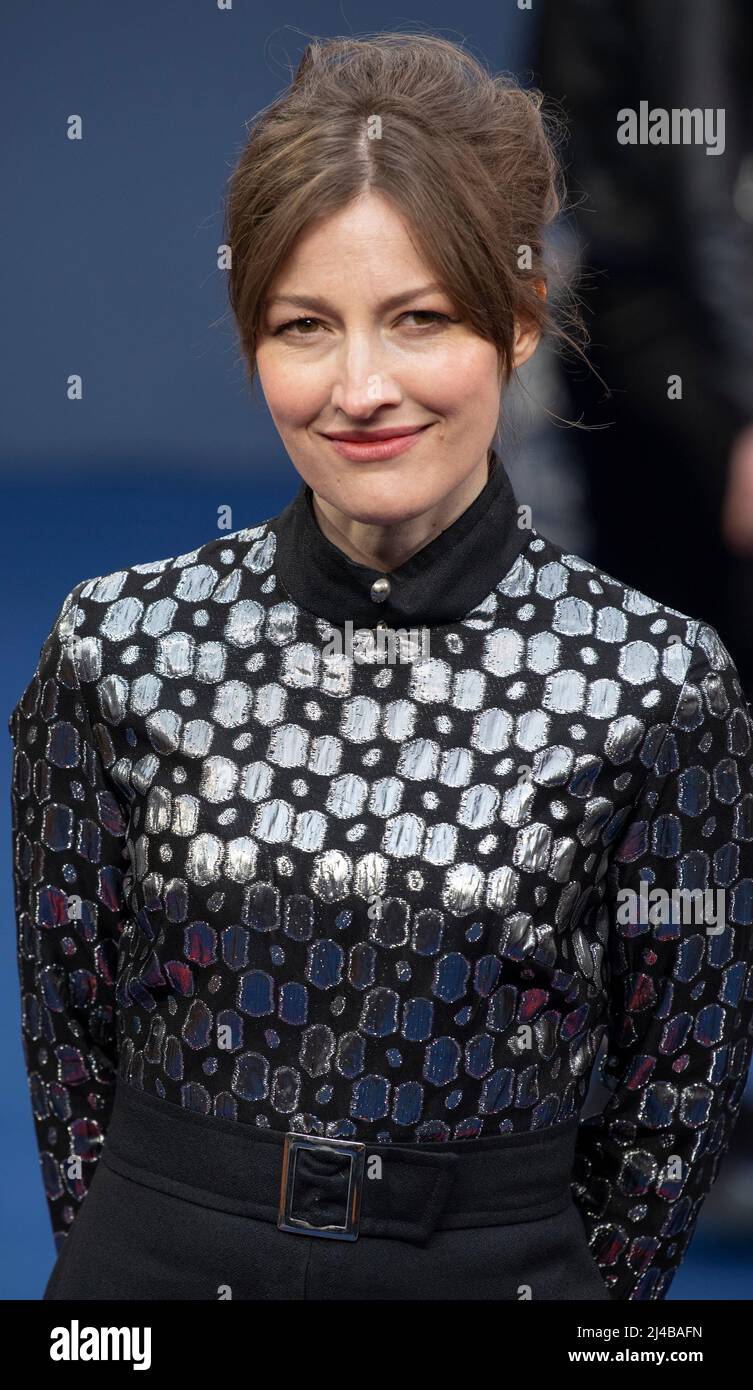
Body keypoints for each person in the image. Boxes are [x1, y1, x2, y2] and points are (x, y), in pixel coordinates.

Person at [9, 31, 753, 1302]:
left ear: (518, 324)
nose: (361, 387)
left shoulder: (657, 684)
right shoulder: (116, 649)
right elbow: (69, 1055)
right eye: (305, 326)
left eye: (419, 319)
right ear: (252, 339)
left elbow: (673, 1103)